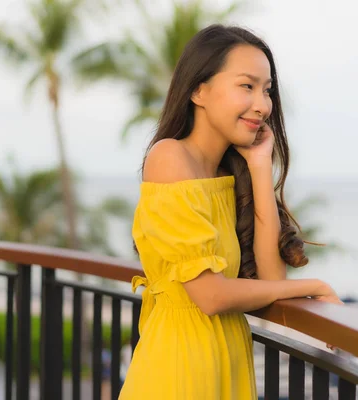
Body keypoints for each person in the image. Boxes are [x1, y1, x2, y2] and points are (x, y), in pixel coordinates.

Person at [118, 24, 343, 400]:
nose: (263, 104)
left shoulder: (225, 173)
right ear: (198, 90)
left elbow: (271, 276)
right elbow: (210, 295)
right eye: (247, 86)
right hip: (178, 370)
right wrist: (315, 287)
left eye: (267, 90)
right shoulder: (170, 157)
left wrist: (258, 167)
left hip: (225, 360)